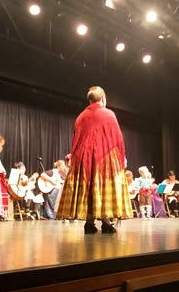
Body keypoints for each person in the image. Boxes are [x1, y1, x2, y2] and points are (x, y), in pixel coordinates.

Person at [57, 86, 132, 234]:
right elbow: (117, 139)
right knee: (103, 188)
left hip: (83, 159)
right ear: (103, 99)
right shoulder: (109, 114)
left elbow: (76, 140)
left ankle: (89, 223)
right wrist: (120, 158)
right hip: (103, 158)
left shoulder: (81, 117)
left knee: (89, 189)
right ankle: (105, 222)